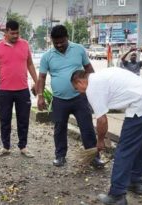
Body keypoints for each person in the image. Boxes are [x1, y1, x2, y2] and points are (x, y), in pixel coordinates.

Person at [71, 67, 142, 205]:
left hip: (140, 106)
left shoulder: (92, 88)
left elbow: (102, 120)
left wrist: (100, 141)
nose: (79, 92)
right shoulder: (102, 76)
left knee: (123, 151)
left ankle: (117, 195)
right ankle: (136, 182)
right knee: (141, 146)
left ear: (79, 82)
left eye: (77, 88)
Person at [37, 25, 104, 167]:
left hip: (80, 98)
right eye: (56, 43)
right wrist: (40, 96)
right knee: (60, 128)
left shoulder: (79, 49)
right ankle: (60, 156)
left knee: (87, 128)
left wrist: (94, 88)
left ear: (67, 37)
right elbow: (41, 77)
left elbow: (89, 69)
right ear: (52, 41)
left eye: (62, 41)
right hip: (59, 100)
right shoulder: (47, 56)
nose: (59, 45)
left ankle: (94, 157)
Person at [0, 20, 38, 158]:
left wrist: (37, 82)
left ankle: (23, 146)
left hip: (22, 90)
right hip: (5, 91)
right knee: (5, 120)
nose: (16, 35)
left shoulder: (25, 45)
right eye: (12, 33)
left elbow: (30, 65)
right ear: (6, 32)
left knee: (23, 120)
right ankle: (5, 147)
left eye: (17, 33)